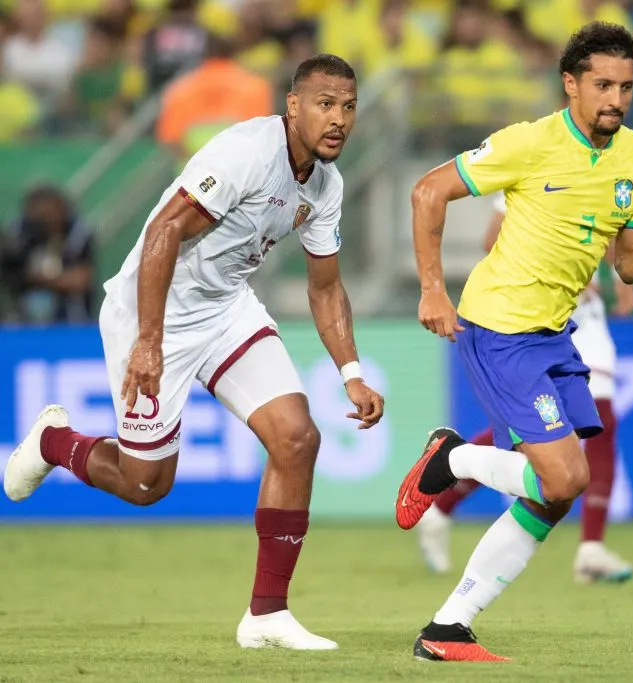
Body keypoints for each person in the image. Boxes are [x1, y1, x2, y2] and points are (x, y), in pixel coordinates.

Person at [3, 54, 385, 650]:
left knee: (297, 437)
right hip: (150, 312)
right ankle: (56, 443)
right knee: (146, 486)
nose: (339, 119)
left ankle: (266, 614)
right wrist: (149, 343)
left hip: (226, 307)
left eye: (349, 107)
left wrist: (352, 373)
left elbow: (326, 286)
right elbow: (162, 232)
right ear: (293, 105)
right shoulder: (246, 154)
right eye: (325, 104)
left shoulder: (326, 186)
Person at [397, 22, 633, 662]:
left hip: (554, 333)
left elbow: (626, 259)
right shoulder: (529, 143)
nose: (616, 99)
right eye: (602, 84)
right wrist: (432, 290)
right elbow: (427, 190)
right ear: (570, 84)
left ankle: (448, 628)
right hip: (499, 326)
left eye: (627, 87)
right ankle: (454, 462)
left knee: (560, 489)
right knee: (559, 476)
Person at [416, 191, 633, 584]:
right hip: (535, 319)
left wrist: (622, 270)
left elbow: (603, 228)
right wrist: (555, 276)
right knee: (526, 430)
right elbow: (492, 241)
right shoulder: (531, 162)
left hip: (585, 319)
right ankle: (443, 499)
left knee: (602, 423)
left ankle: (591, 548)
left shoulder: (602, 164)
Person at [0, 185, 94, 324]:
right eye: (39, 217)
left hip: (69, 324)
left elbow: (81, 280)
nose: (45, 222)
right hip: (23, 323)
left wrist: (37, 278)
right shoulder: (19, 232)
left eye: (48, 215)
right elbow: (10, 273)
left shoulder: (78, 233)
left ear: (62, 209)